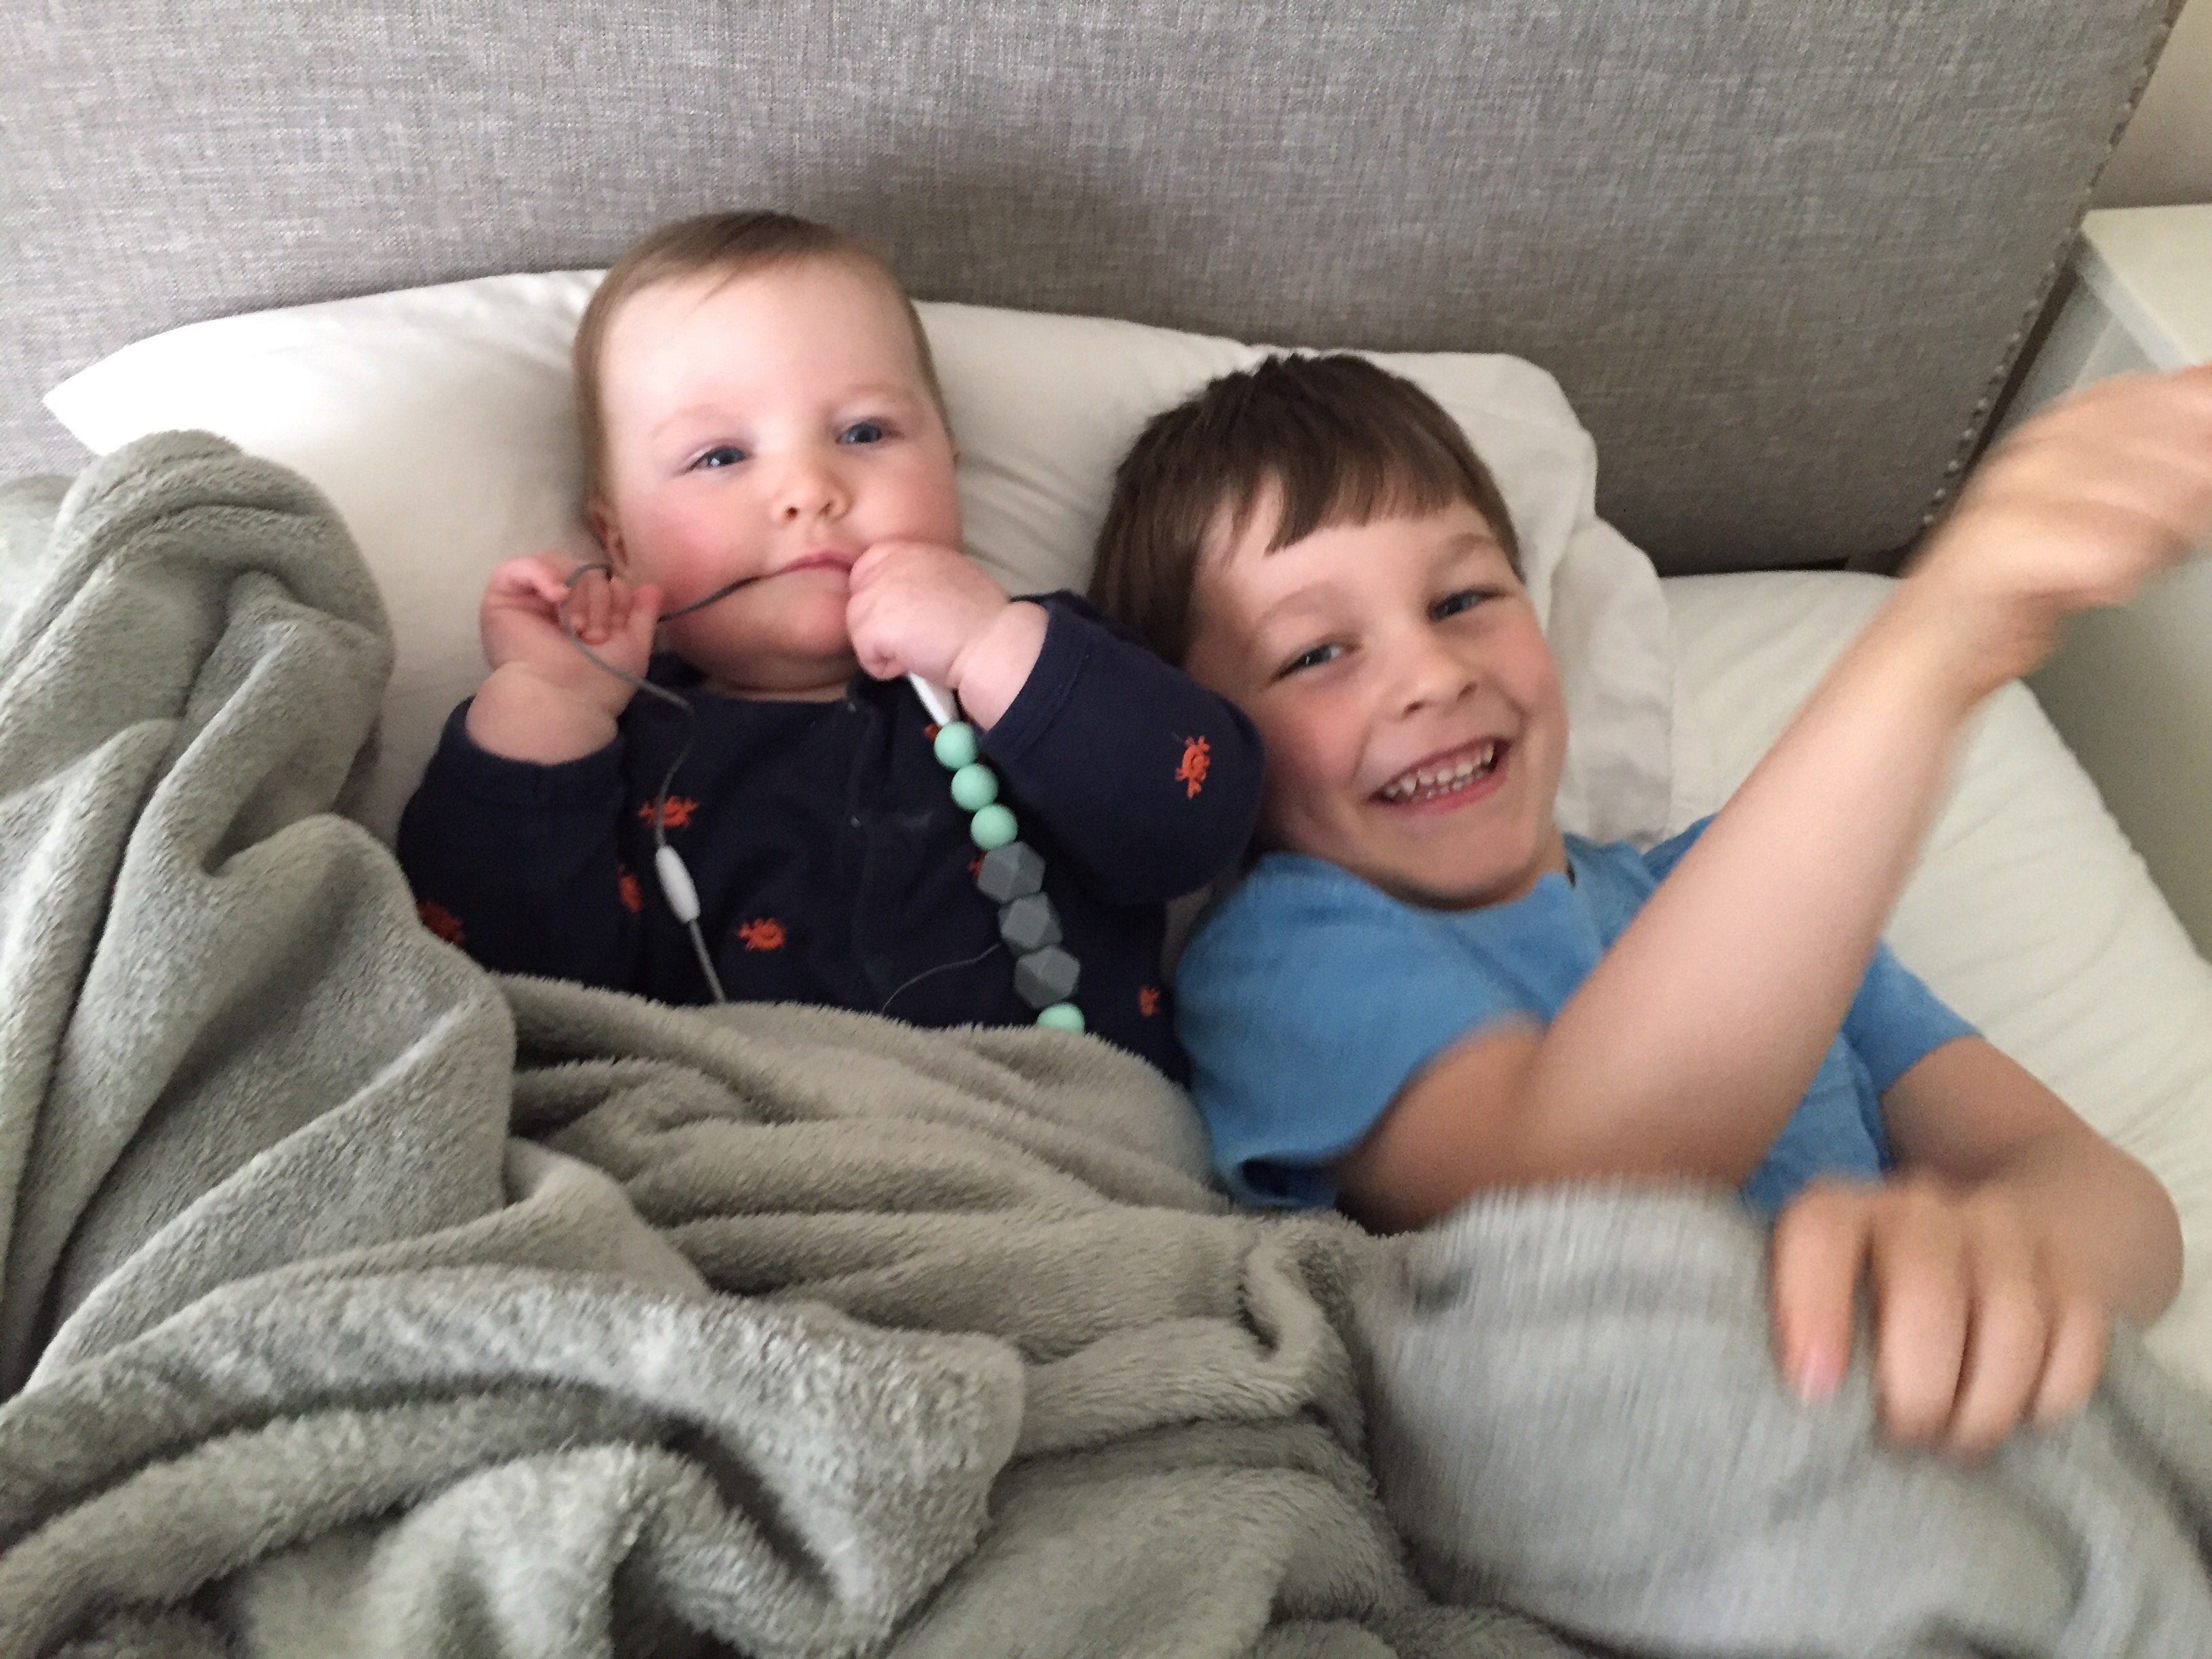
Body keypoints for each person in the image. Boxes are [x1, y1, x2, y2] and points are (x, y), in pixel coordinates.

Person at [1088, 351, 2212, 1454]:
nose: (1432, 673)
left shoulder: (1751, 892)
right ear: (1204, 746)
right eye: (1316, 653)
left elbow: (2115, 1198)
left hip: (1957, 1447)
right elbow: (1573, 1189)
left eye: (1463, 598)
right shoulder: (1278, 948)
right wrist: (1932, 647)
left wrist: (2005, 1255)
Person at [397, 211, 1261, 1076]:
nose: (809, 489)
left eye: (863, 433)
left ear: (949, 468)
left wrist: (991, 645)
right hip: (722, 1145)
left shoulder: (1041, 667)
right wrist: (546, 707)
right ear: (617, 542)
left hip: (1054, 1131)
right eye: (720, 456)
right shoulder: (615, 752)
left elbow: (1199, 828)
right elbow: (507, 997)